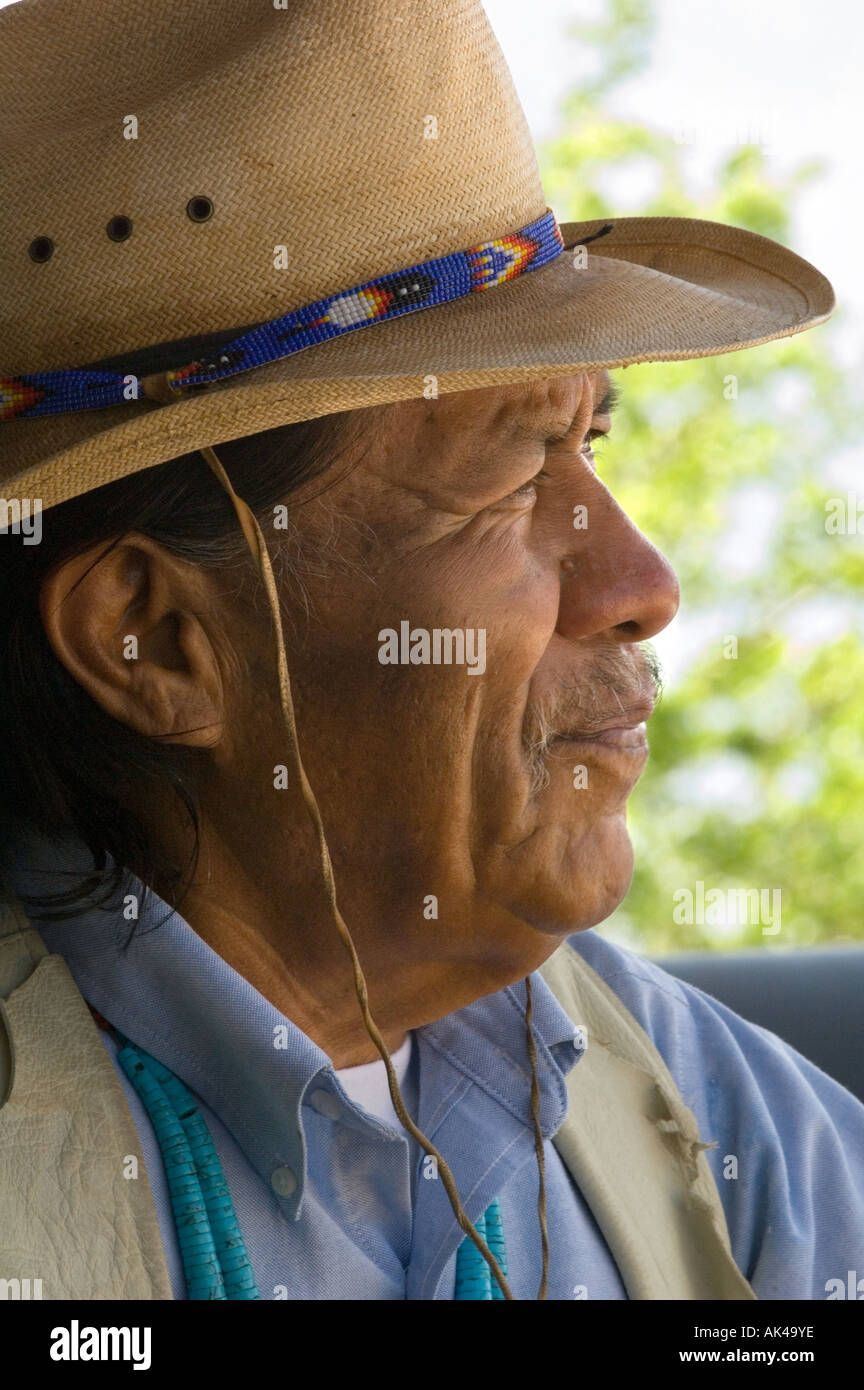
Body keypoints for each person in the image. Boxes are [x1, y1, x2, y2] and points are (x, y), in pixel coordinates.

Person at [0, 0, 860, 1301]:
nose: (644, 586)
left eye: (592, 442)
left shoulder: (704, 1108)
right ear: (158, 641)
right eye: (515, 476)